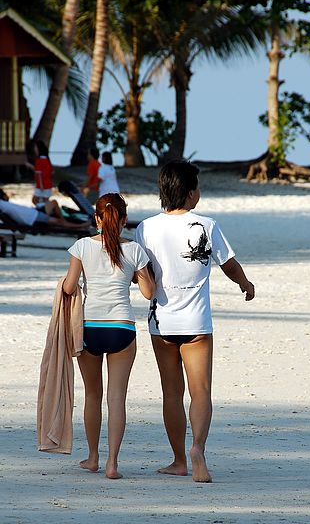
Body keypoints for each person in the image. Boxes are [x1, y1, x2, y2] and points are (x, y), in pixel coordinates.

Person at [135, 160, 255, 483]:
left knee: (171, 393)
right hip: (197, 323)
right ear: (190, 194)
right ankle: (198, 448)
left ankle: (177, 460)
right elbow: (228, 264)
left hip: (161, 324)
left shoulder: (145, 228)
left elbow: (142, 276)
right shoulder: (207, 225)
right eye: (198, 187)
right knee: (201, 392)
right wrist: (244, 283)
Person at [63, 193, 154, 479]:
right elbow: (149, 292)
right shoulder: (136, 250)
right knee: (116, 399)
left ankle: (92, 458)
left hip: (90, 327)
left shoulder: (81, 247)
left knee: (92, 394)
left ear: (97, 219)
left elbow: (68, 288)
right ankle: (113, 464)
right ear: (124, 220)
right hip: (122, 328)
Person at [0, 188, 90, 229]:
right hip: (32, 217)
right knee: (58, 221)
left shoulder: (3, 204)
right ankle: (80, 225)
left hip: (33, 213)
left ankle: (66, 220)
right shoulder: (2, 204)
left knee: (54, 205)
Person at [25, 140, 64, 220]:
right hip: (48, 184)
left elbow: (38, 174)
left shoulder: (39, 160)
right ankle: (46, 212)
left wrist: (41, 185)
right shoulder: (47, 160)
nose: (35, 150)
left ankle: (44, 214)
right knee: (45, 200)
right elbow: (50, 172)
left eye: (36, 148)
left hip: (42, 185)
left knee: (36, 200)